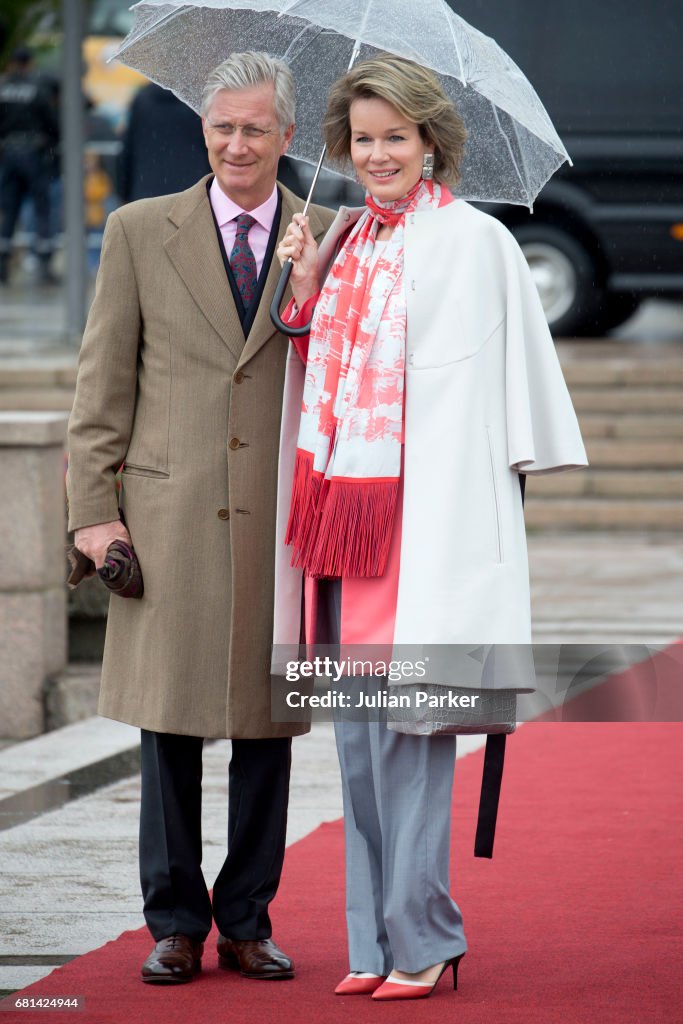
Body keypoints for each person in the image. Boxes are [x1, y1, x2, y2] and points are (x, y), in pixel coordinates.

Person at [275, 54, 588, 1001]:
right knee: (361, 740)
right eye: (361, 140)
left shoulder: (476, 241)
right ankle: (372, 941)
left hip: (423, 521)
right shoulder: (346, 241)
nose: (376, 155)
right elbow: (309, 361)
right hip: (340, 530)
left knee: (413, 739)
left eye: (393, 139)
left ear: (428, 142)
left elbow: (511, 381)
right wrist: (303, 276)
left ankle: (424, 937)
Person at [67, 51, 334, 985]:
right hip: (168, 517)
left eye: (255, 128)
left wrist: (310, 296)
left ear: (286, 136)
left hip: (280, 525)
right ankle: (174, 921)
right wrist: (92, 516)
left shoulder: (330, 234)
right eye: (221, 126)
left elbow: (346, 382)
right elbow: (102, 387)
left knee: (268, 729)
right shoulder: (141, 230)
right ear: (204, 129)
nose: (235, 143)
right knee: (168, 726)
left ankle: (248, 921)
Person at [0, 45, 59, 284]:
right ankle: (44, 266)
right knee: (42, 209)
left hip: (8, 154)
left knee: (9, 210)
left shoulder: (2, 88)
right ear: (30, 63)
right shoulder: (37, 89)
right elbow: (52, 124)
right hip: (34, 154)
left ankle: (2, 265)